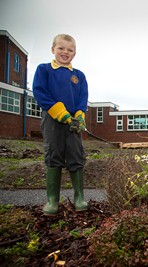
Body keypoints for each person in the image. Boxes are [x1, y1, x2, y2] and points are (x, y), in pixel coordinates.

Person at [33, 34, 89, 215]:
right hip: (52, 118)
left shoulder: (78, 75)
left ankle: (79, 197)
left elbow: (83, 97)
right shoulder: (44, 70)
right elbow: (40, 93)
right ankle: (52, 201)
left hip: (73, 121)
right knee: (53, 153)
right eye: (61, 48)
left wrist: (79, 115)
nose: (65, 52)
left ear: (75, 53)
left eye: (70, 50)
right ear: (53, 50)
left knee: (76, 154)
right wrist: (61, 114)